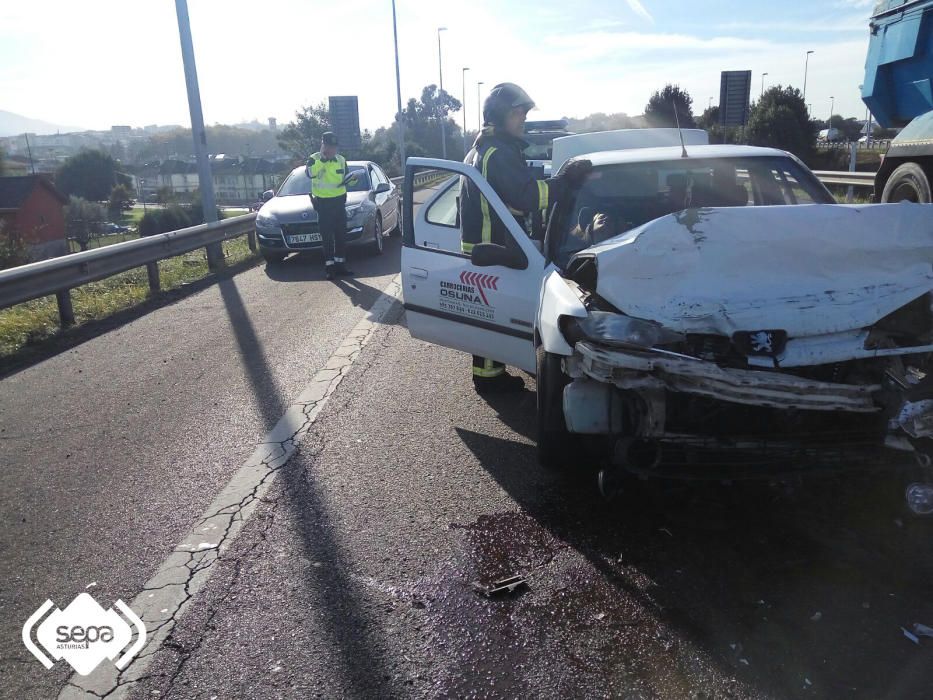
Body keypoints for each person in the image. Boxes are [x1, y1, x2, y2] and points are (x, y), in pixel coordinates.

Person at [460, 82, 593, 394]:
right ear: (499, 115)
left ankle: (489, 373)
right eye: (517, 112)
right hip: (494, 245)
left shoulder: (488, 148)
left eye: (523, 112)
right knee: (494, 313)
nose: (522, 118)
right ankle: (489, 380)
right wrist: (564, 181)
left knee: (490, 312)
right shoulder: (498, 153)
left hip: (489, 243)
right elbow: (527, 197)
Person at [307, 132, 354, 280]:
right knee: (327, 238)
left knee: (341, 236)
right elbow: (309, 174)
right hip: (323, 204)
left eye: (334, 147)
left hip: (339, 203)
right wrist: (323, 159)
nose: (333, 150)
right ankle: (330, 268)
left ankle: (341, 265)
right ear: (324, 146)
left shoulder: (341, 160)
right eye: (329, 147)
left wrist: (352, 180)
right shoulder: (313, 159)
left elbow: (347, 178)